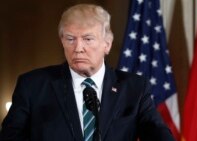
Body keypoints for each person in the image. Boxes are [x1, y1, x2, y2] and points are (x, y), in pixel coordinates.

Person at [0, 3, 175, 141]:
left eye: (88, 39)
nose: (78, 48)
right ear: (62, 42)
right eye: (70, 39)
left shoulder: (134, 88)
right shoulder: (33, 86)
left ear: (107, 44)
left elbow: (156, 132)